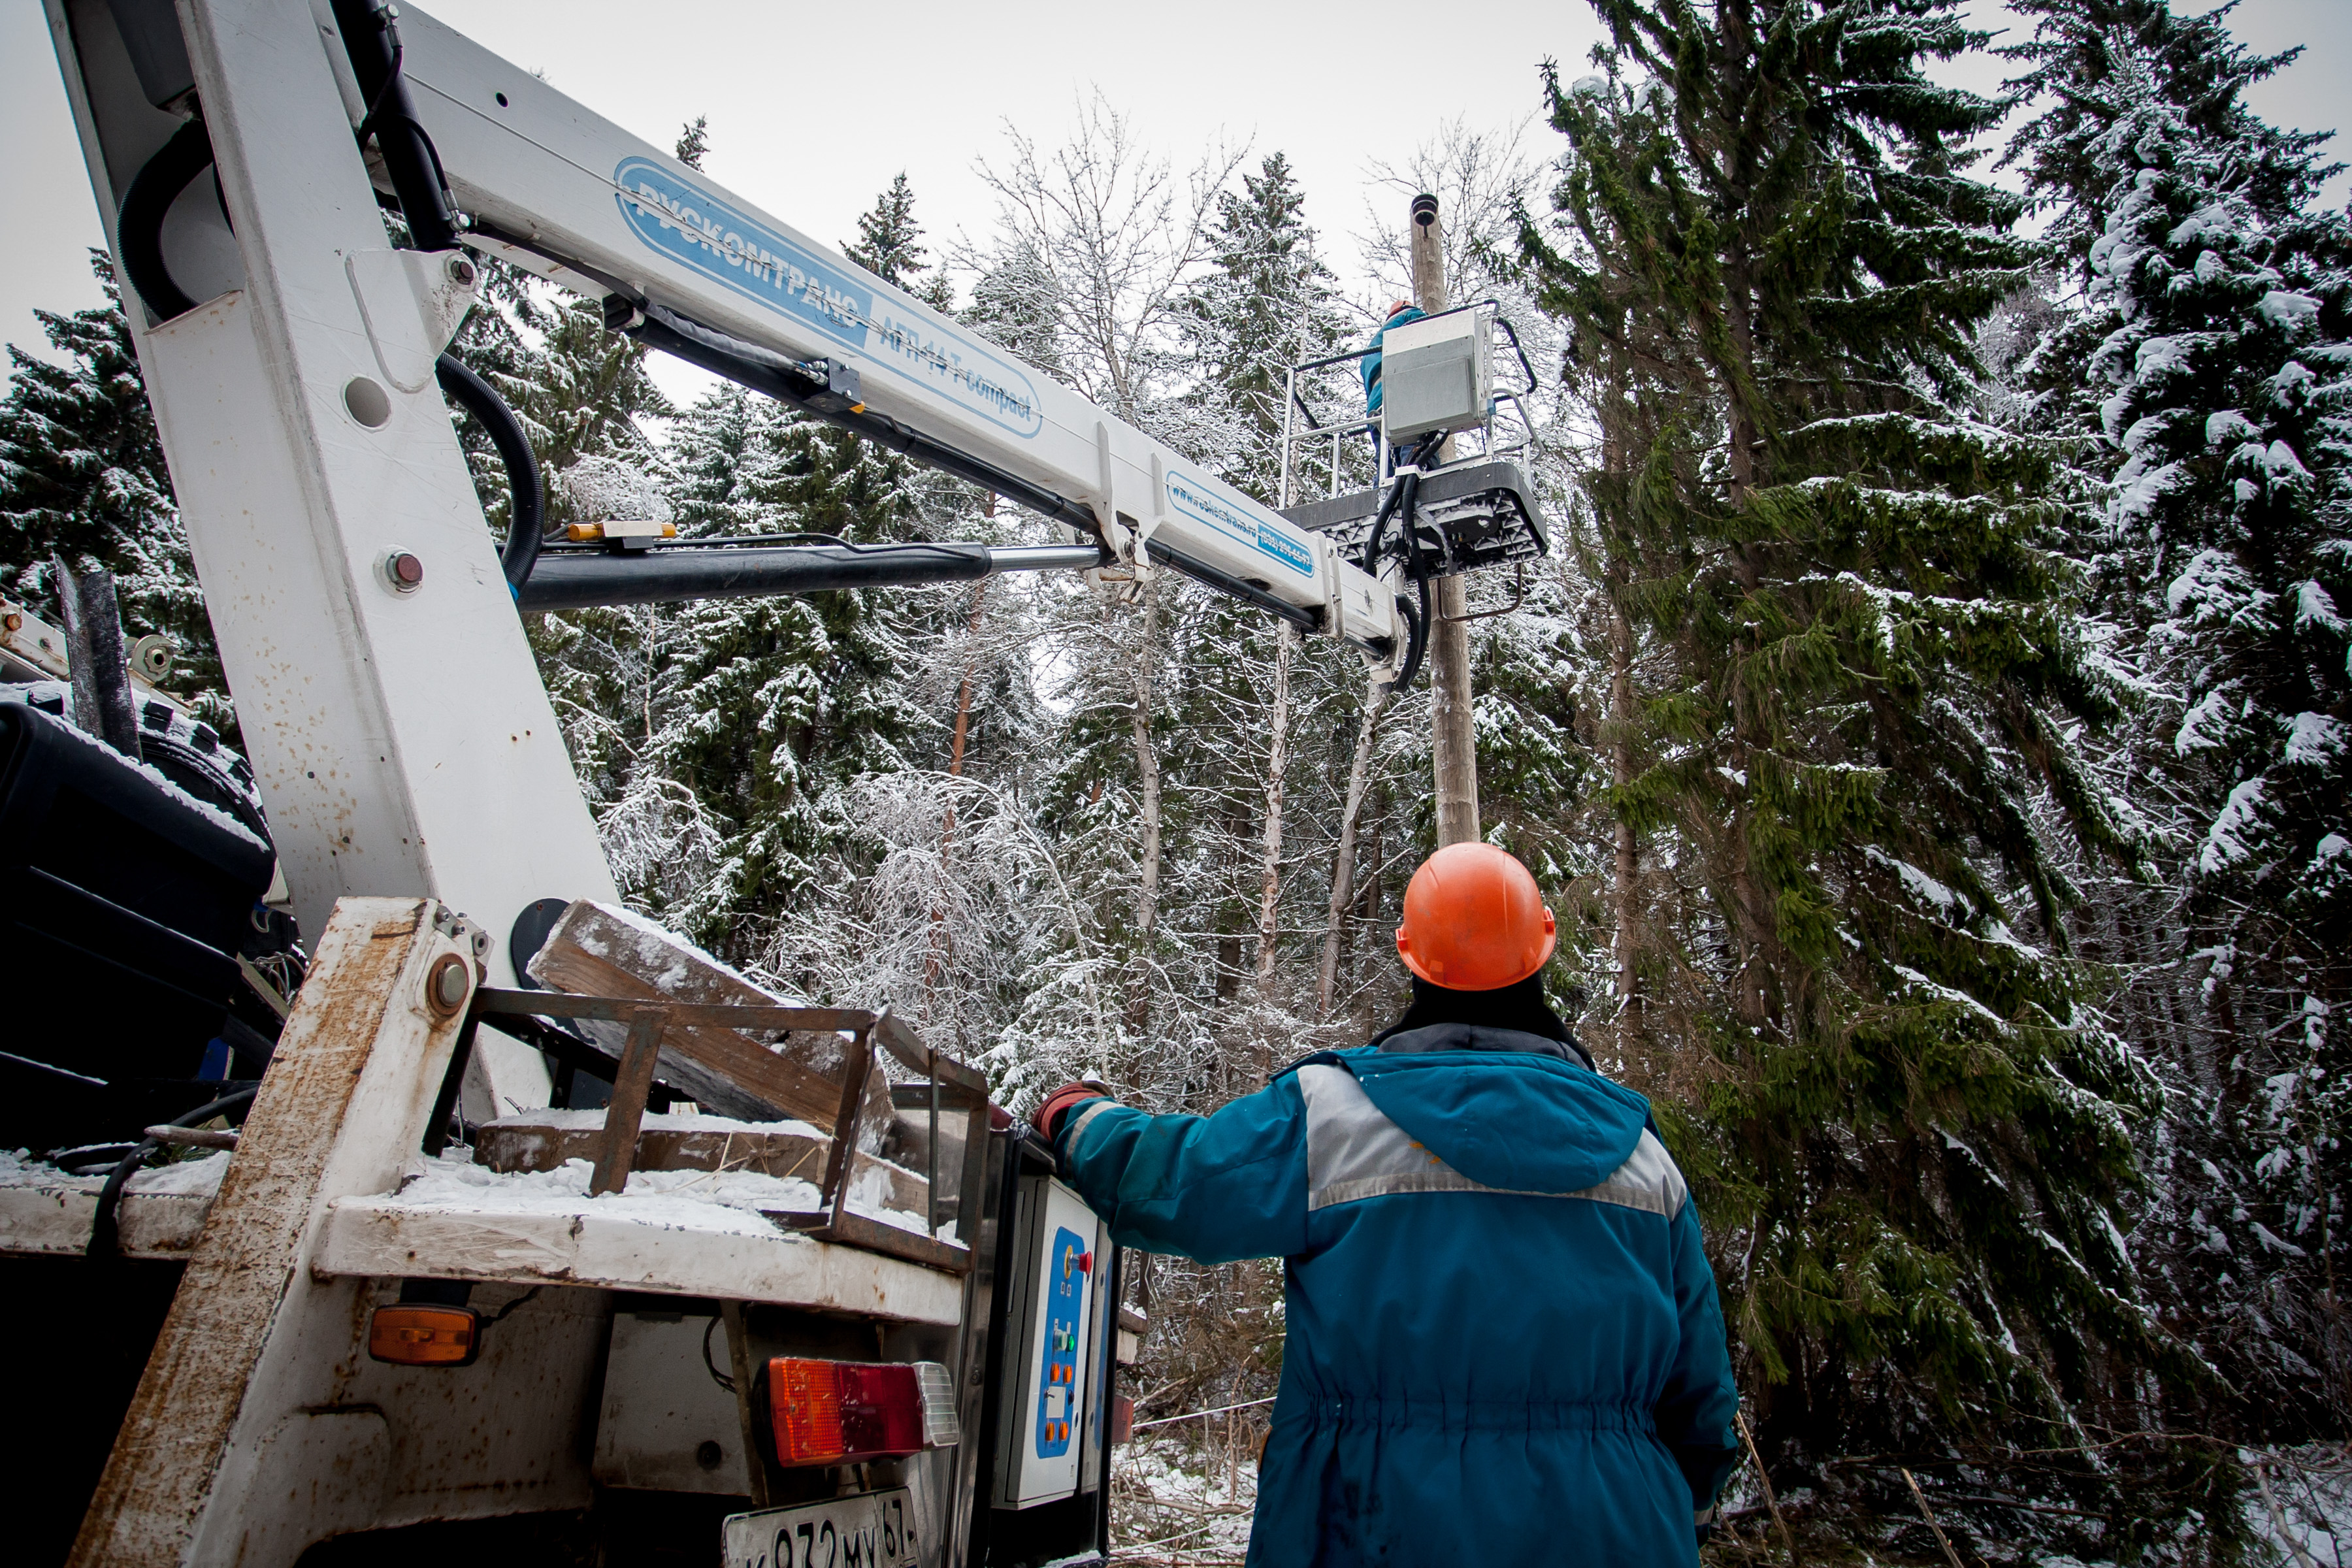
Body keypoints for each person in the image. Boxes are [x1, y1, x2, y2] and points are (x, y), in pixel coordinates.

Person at [1031, 842, 1740, 1567]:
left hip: (1374, 1525)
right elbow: (1703, 1400)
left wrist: (1079, 1120)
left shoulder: (1333, 1118)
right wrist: (1690, 1507)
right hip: (1618, 1531)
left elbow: (1181, 1184)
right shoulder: (1644, 1159)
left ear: (1409, 954)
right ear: (1542, 949)